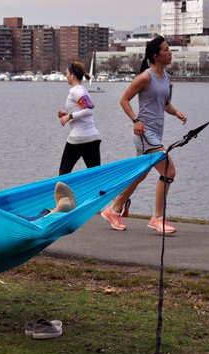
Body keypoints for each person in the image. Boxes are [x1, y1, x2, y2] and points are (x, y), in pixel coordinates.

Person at [101, 36, 187, 233]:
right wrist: (136, 120)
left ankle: (114, 210)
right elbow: (124, 100)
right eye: (166, 50)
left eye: (169, 49)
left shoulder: (167, 78)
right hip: (145, 133)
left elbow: (164, 104)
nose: (170, 53)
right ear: (156, 56)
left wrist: (177, 113)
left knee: (139, 174)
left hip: (156, 132)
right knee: (169, 171)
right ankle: (157, 218)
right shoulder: (145, 77)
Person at [57, 62, 101, 175]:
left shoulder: (76, 91)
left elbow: (89, 109)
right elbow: (82, 111)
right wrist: (67, 114)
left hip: (78, 139)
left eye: (66, 73)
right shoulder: (82, 89)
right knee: (96, 176)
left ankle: (61, 193)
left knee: (63, 175)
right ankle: (100, 193)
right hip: (92, 138)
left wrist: (69, 116)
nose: (66, 75)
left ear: (72, 75)